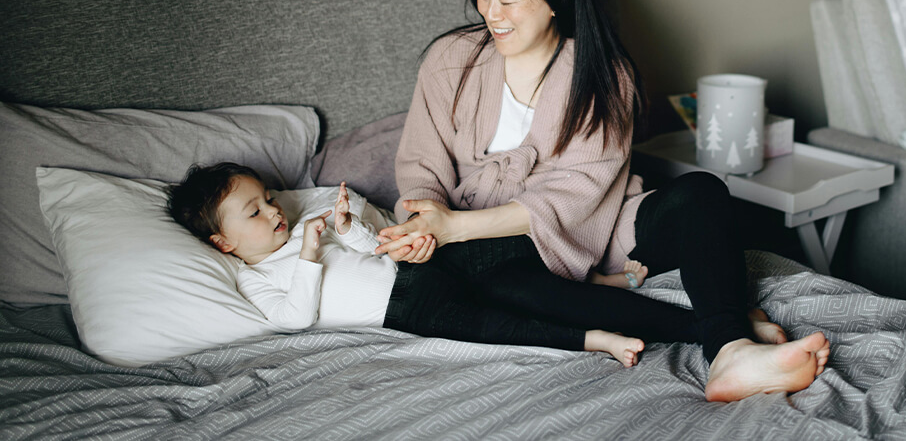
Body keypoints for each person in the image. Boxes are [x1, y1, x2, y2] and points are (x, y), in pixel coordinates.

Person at [378, 0, 830, 402]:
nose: (493, 13)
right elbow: (421, 163)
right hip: (480, 244)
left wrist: (455, 228)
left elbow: (573, 196)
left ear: (554, 1)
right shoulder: (451, 60)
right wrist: (424, 223)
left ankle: (730, 351)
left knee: (702, 193)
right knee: (495, 279)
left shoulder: (603, 77)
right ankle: (721, 332)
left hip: (593, 225)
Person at [166, 162, 652, 366]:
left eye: (270, 199)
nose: (274, 211)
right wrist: (310, 255)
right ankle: (598, 340)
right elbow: (293, 317)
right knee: (493, 324)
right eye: (255, 211)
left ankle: (594, 275)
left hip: (419, 270)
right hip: (403, 312)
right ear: (223, 243)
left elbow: (372, 246)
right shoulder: (255, 280)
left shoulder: (301, 227)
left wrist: (345, 224)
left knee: (504, 256)